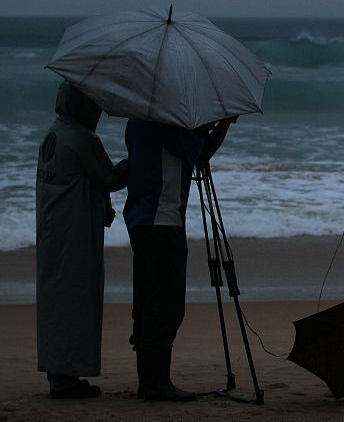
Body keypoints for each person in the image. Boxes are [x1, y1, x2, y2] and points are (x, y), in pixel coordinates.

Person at [123, 116, 234, 402]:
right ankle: (156, 382)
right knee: (166, 305)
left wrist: (197, 131)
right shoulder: (166, 122)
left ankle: (148, 379)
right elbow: (200, 154)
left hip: (139, 218)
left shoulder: (137, 120)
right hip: (164, 219)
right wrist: (223, 124)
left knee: (147, 302)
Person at [36, 82, 128, 399]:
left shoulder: (55, 132)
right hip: (75, 233)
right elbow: (110, 178)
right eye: (95, 105)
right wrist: (137, 160)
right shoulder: (82, 138)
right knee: (76, 301)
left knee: (57, 303)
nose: (99, 111)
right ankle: (66, 378)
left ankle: (58, 372)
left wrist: (103, 201)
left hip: (52, 231)